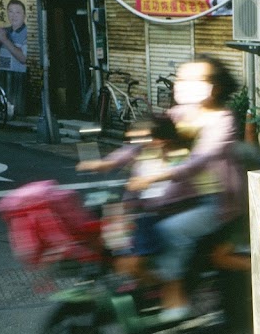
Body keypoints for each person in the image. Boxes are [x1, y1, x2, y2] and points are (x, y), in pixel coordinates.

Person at [125, 54, 248, 322]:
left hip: (218, 203)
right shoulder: (177, 114)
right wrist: (110, 160)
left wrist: (157, 177)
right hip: (180, 198)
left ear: (214, 87)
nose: (182, 84)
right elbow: (147, 137)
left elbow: (201, 159)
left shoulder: (223, 120)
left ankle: (174, 295)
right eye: (181, 78)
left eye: (193, 79)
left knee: (169, 231)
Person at [76, 115, 192, 288]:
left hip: (158, 215)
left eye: (145, 137)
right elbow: (114, 160)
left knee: (129, 262)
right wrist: (97, 164)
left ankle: (159, 287)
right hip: (135, 211)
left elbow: (168, 194)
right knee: (99, 236)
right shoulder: (141, 150)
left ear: (162, 140)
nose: (138, 142)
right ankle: (92, 278)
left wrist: (144, 186)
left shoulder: (180, 158)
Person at [0, 0, 27, 117]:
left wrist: (5, 40)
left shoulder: (27, 32)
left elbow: (23, 58)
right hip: (4, 71)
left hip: (19, 74)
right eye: (11, 12)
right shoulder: (5, 30)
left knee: (17, 109)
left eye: (18, 12)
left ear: (24, 15)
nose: (13, 15)